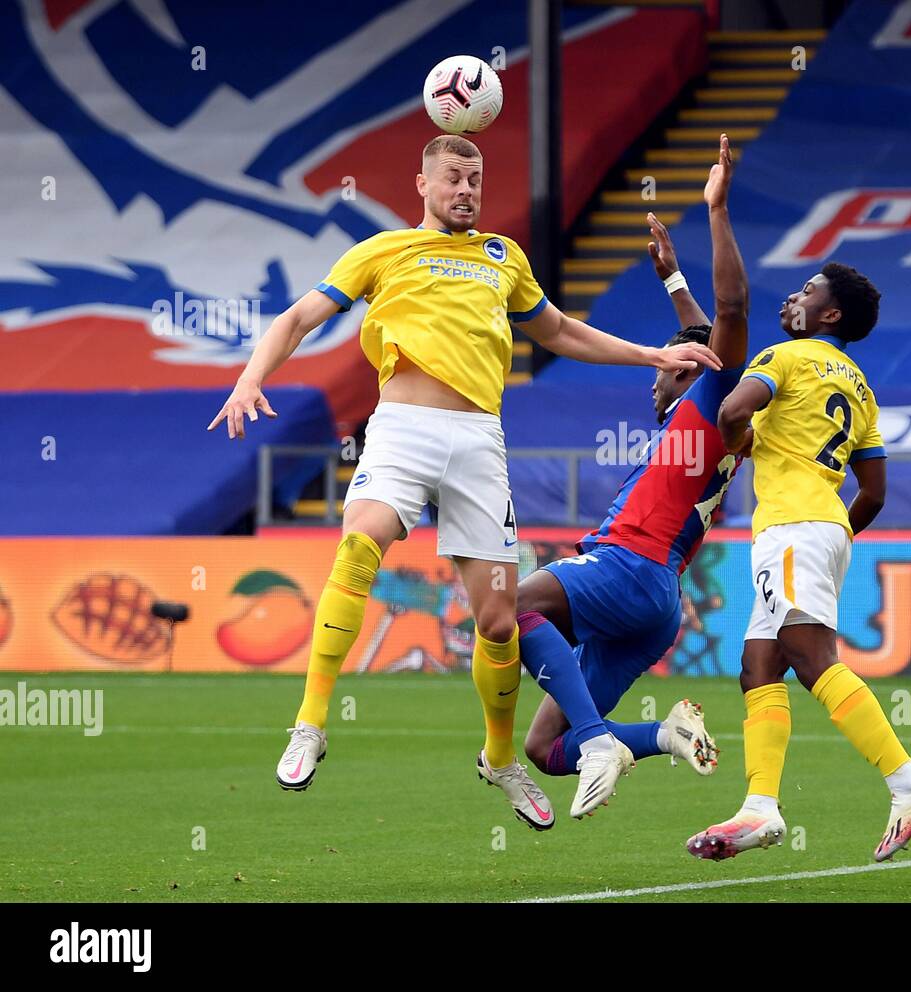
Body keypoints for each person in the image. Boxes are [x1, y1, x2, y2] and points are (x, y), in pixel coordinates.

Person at [207, 134, 719, 830]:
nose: (467, 190)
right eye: (453, 178)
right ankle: (310, 724)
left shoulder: (503, 258)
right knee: (361, 542)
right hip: (404, 425)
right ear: (422, 183)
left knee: (500, 620)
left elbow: (561, 331)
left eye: (475, 178)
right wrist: (249, 379)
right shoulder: (381, 252)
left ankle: (502, 757)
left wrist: (652, 353)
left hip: (479, 441)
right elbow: (298, 317)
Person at [511, 135, 748, 819]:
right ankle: (661, 735)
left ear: (689, 370)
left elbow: (726, 317)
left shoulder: (710, 403)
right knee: (543, 747)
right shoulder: (706, 418)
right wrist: (672, 278)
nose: (652, 377)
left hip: (630, 566)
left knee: (509, 604)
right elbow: (703, 329)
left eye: (663, 366)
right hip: (655, 604)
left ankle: (598, 741)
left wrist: (716, 210)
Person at [686, 258, 911, 863]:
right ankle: (760, 808)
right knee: (759, 667)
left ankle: (908, 783)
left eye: (807, 291)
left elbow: (730, 413)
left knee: (810, 658)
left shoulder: (784, 357)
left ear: (830, 314)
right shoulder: (860, 386)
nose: (792, 298)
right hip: (824, 528)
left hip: (792, 531)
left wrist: (735, 445)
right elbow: (875, 492)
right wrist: (835, 532)